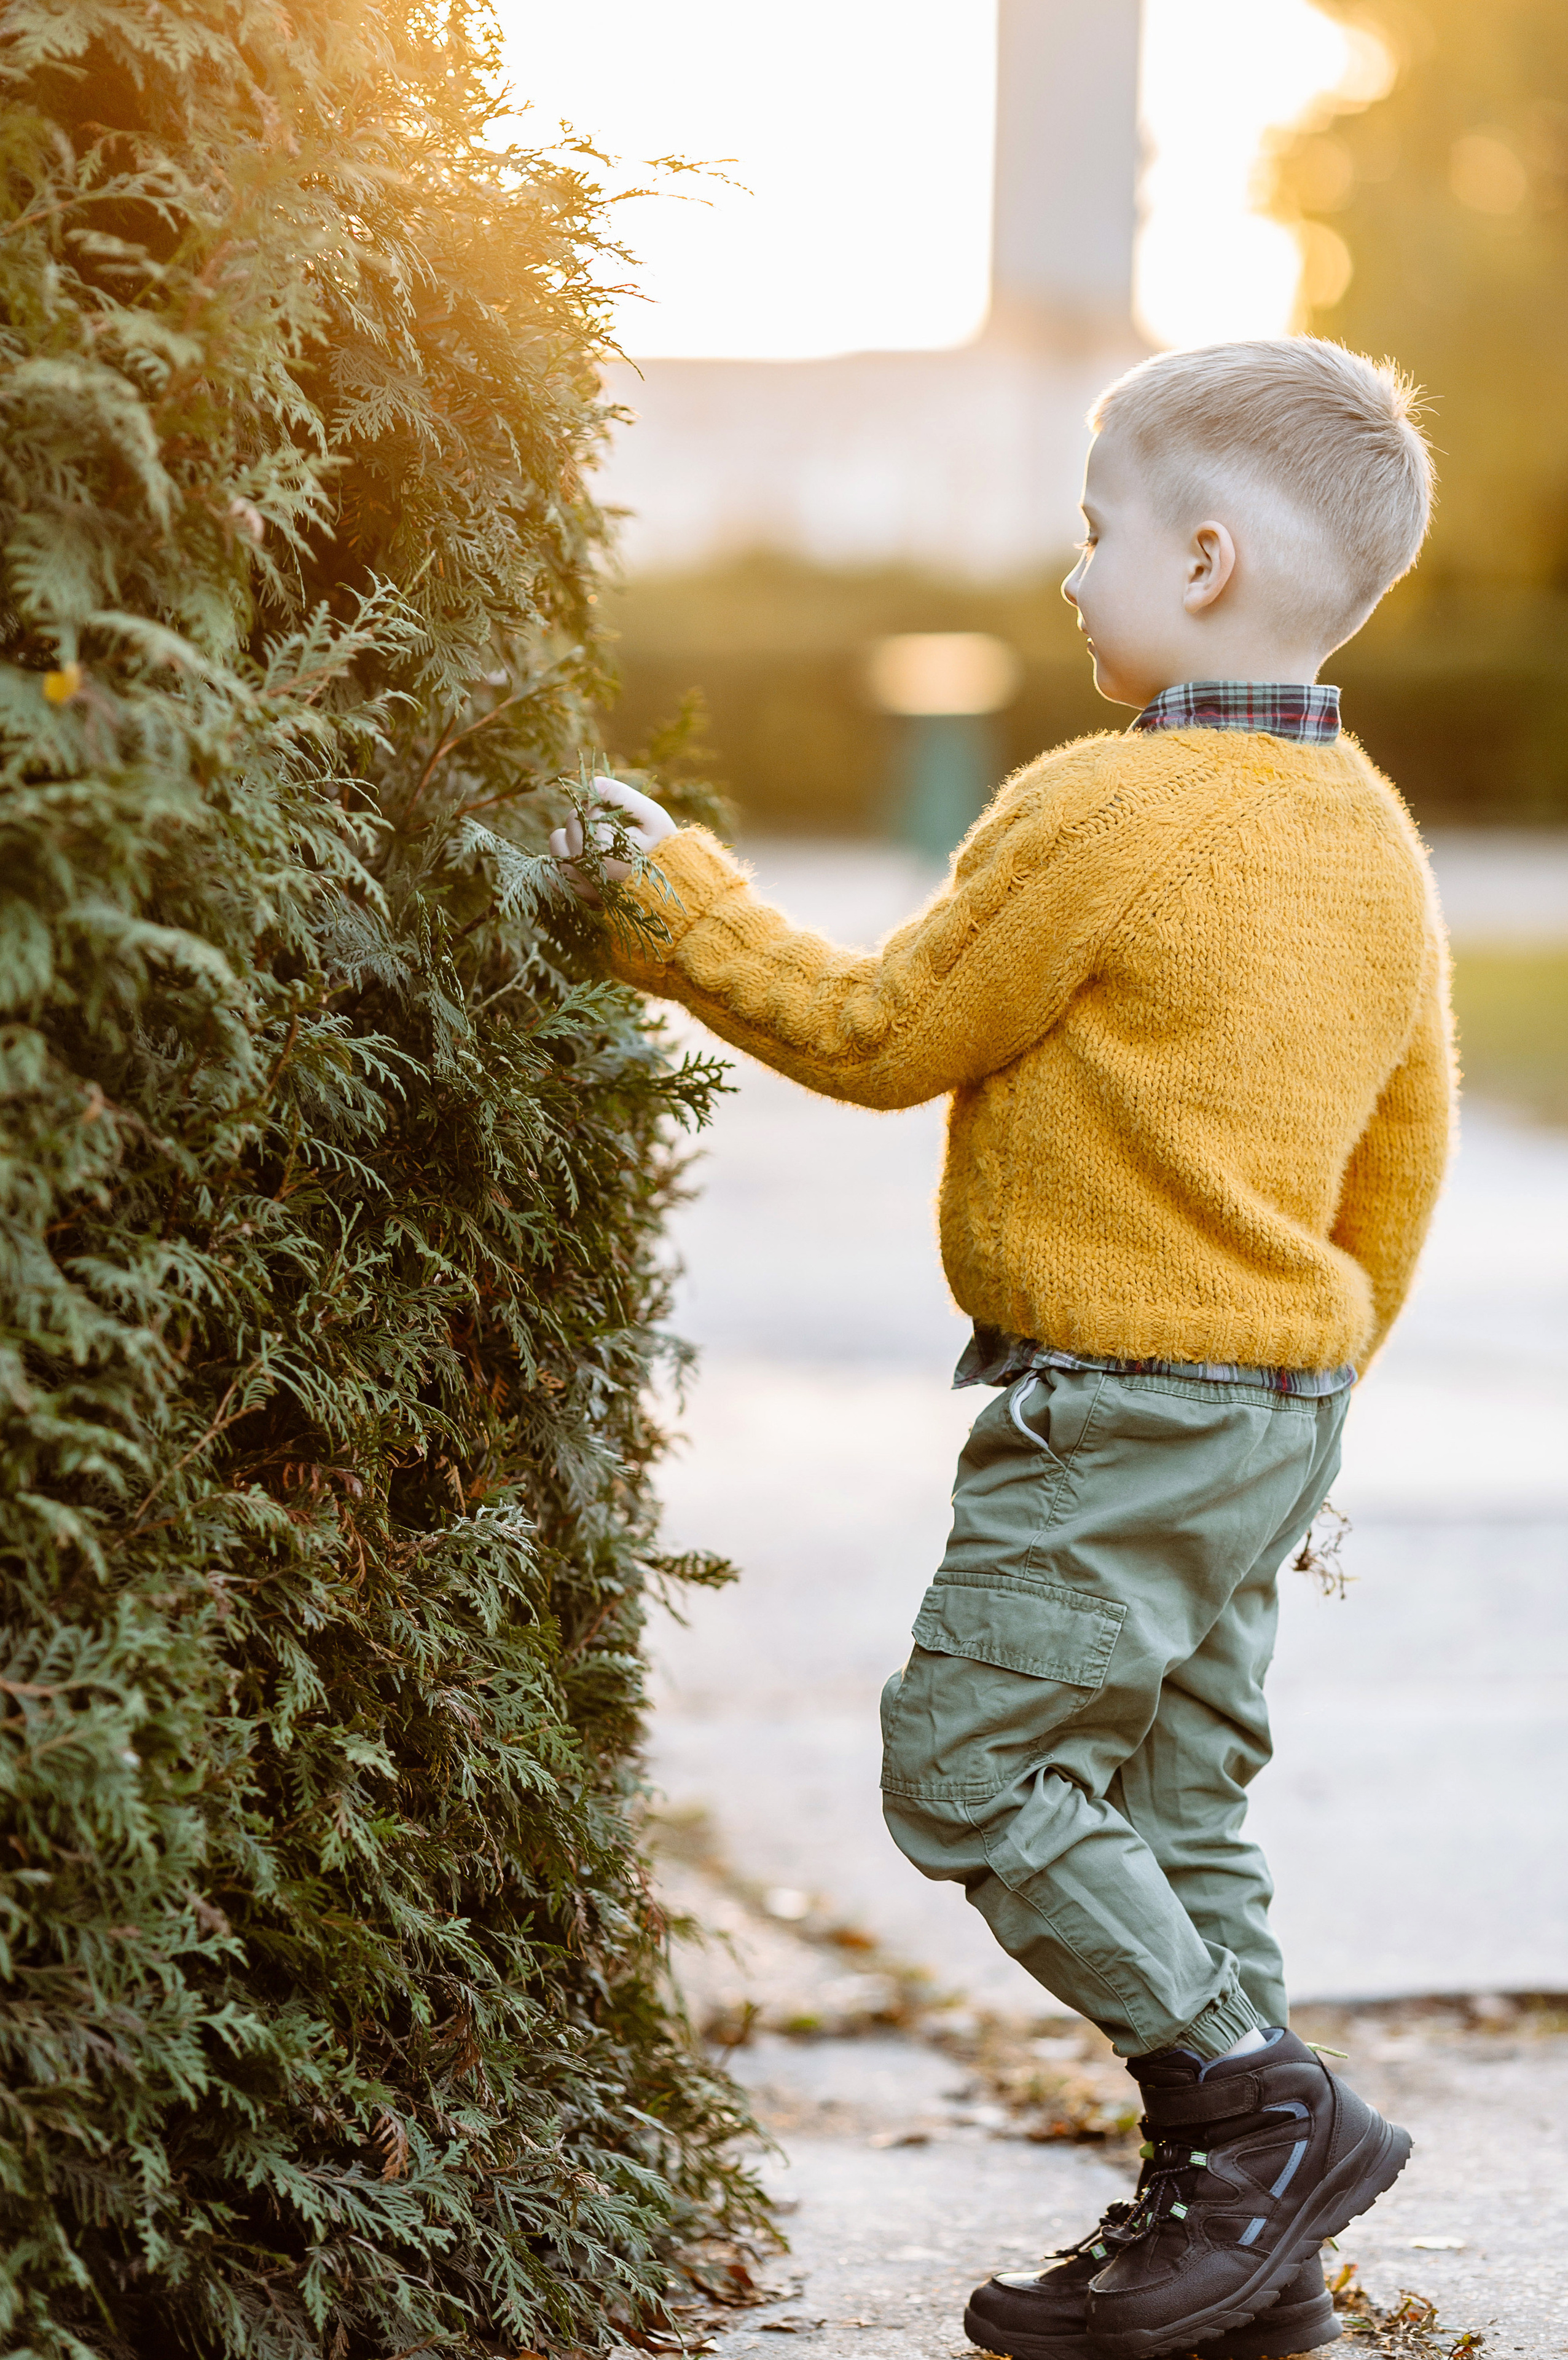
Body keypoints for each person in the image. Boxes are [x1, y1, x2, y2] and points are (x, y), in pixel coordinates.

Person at [552, 337, 1452, 2360]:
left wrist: (657, 894)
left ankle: (1261, 2110)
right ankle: (1244, 2264)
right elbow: (1404, 1158)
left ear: (1204, 559)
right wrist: (1310, 1390)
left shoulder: (1111, 801)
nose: (1071, 577)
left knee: (970, 1763)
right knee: (1180, 1801)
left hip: (1120, 1400)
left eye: (1093, 532)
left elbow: (880, 1038)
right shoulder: (1372, 836)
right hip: (1277, 1412)